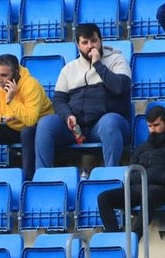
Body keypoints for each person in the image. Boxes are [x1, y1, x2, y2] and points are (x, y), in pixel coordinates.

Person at [35, 24, 132, 172]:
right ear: (78, 45)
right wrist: (68, 115)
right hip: (77, 128)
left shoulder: (117, 60)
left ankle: (111, 174)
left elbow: (119, 87)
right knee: (46, 124)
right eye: (85, 43)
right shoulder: (69, 69)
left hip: (106, 124)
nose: (90, 46)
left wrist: (98, 64)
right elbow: (59, 100)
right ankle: (43, 175)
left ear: (101, 40)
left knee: (110, 122)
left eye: (94, 41)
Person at [97, 104, 165, 244]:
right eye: (149, 126)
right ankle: (115, 239)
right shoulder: (142, 147)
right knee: (104, 198)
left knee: (148, 195)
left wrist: (162, 177)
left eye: (156, 125)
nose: (152, 130)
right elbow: (130, 175)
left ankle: (132, 240)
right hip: (140, 188)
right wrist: (148, 176)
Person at [0, 54, 54, 182]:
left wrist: (11, 100)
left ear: (16, 72)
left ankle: (29, 180)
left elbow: (30, 119)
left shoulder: (31, 85)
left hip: (39, 128)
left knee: (27, 132)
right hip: (14, 126)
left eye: (4, 75)